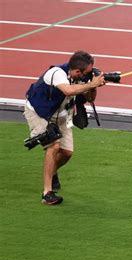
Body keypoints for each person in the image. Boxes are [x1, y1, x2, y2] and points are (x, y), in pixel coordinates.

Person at [24, 51, 105, 205]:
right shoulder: (56, 73)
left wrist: (94, 87)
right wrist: (91, 84)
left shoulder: (82, 78)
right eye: (86, 73)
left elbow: (89, 98)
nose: (88, 76)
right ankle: (47, 193)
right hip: (40, 113)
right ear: (77, 71)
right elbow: (67, 90)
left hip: (61, 115)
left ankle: (52, 171)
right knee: (53, 146)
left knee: (67, 152)